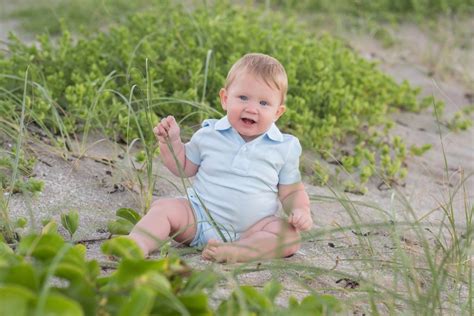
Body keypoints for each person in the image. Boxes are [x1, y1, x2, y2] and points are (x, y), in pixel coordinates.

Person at [129, 53, 313, 263]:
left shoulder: (284, 147)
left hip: (253, 230)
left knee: (289, 237)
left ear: (278, 112)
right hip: (198, 219)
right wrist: (171, 144)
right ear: (225, 99)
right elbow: (184, 168)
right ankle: (136, 244)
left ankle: (238, 251)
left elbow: (291, 191)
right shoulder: (210, 134)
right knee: (165, 208)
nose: (251, 108)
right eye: (243, 97)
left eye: (264, 103)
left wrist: (300, 210)